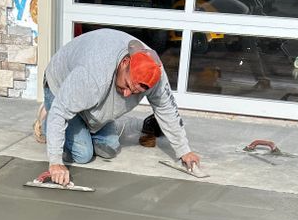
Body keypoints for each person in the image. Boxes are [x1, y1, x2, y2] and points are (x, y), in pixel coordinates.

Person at [38, 28, 202, 186]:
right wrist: (55, 162)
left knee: (109, 148)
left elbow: (166, 109)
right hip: (59, 89)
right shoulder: (92, 74)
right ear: (125, 62)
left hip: (90, 96)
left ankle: (84, 122)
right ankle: (46, 122)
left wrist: (184, 151)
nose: (126, 94)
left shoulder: (153, 73)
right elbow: (59, 113)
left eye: (135, 92)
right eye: (127, 85)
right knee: (83, 154)